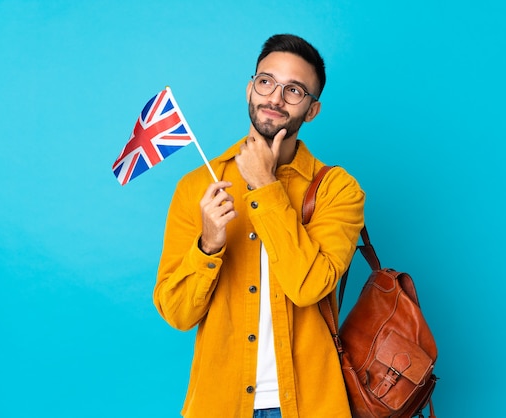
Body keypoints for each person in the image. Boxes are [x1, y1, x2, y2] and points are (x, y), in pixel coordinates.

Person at [154, 34, 365, 418]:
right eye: (266, 82)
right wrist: (209, 245)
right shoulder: (198, 187)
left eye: (294, 90)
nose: (275, 98)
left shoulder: (338, 189)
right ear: (250, 88)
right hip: (219, 404)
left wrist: (266, 187)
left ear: (312, 110)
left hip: (311, 404)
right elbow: (178, 313)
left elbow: (308, 287)